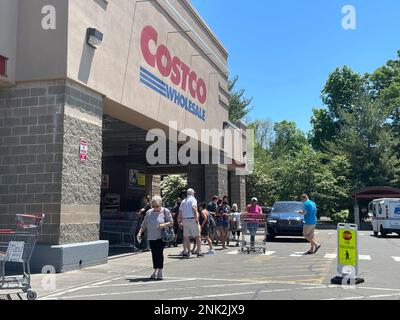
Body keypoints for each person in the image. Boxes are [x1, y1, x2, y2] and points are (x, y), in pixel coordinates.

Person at [137, 195, 173, 280]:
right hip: (151, 236)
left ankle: (160, 271)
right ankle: (155, 270)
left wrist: (163, 225)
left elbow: (171, 222)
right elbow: (144, 224)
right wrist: (139, 233)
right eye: (153, 206)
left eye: (157, 206)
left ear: (161, 204)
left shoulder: (165, 211)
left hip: (161, 236)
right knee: (154, 253)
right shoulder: (149, 212)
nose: (155, 208)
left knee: (159, 253)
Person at [178, 189, 204, 258]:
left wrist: (179, 221)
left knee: (186, 237)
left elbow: (180, 212)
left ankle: (188, 252)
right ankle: (199, 252)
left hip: (184, 220)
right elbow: (194, 208)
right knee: (197, 236)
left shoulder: (183, 201)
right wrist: (196, 218)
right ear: (192, 193)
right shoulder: (193, 199)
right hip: (192, 219)